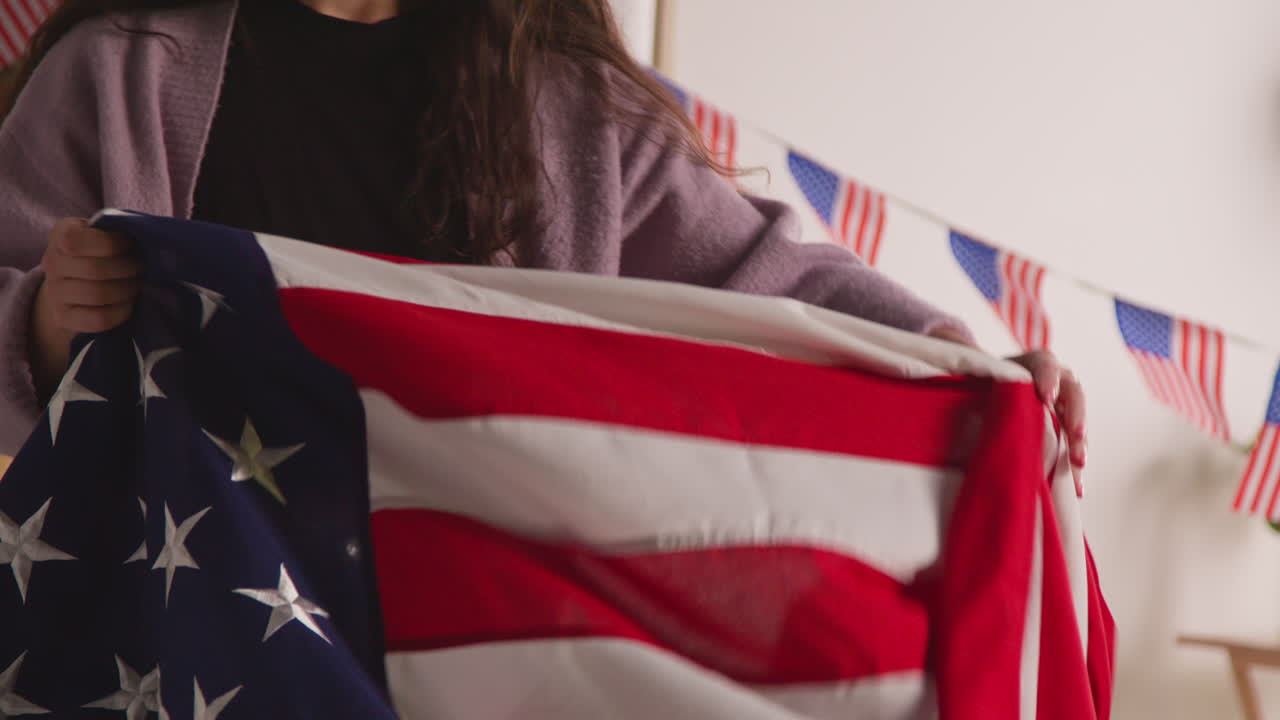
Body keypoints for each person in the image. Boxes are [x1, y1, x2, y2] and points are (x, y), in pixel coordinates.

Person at [0, 0, 1086, 474]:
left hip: (458, 643)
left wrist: (965, 363)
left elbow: (769, 279)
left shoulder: (568, 104)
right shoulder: (121, 67)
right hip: (178, 629)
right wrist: (44, 322)